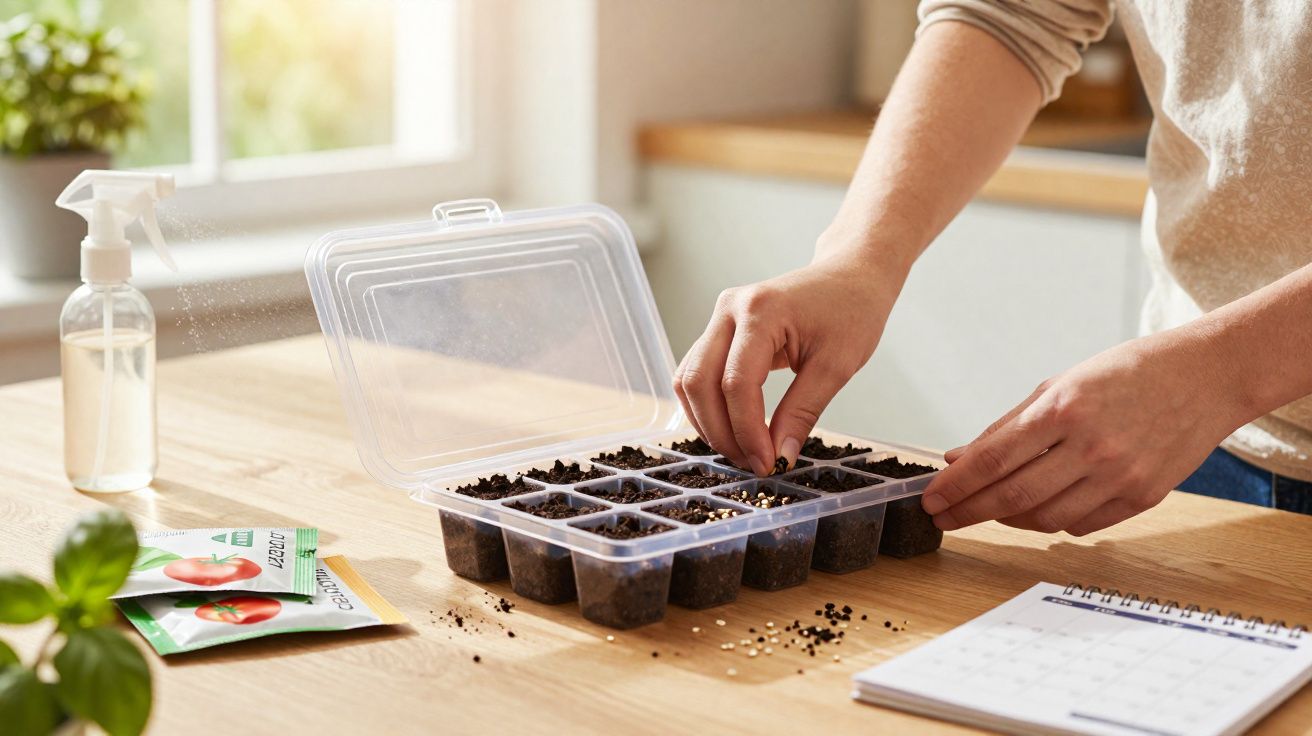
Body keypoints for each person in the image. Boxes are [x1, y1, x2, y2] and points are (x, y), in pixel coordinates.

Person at [673, 0, 1312, 536]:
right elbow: (1009, 15)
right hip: (1211, 446)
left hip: (1200, 398)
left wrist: (1224, 369)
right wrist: (856, 261)